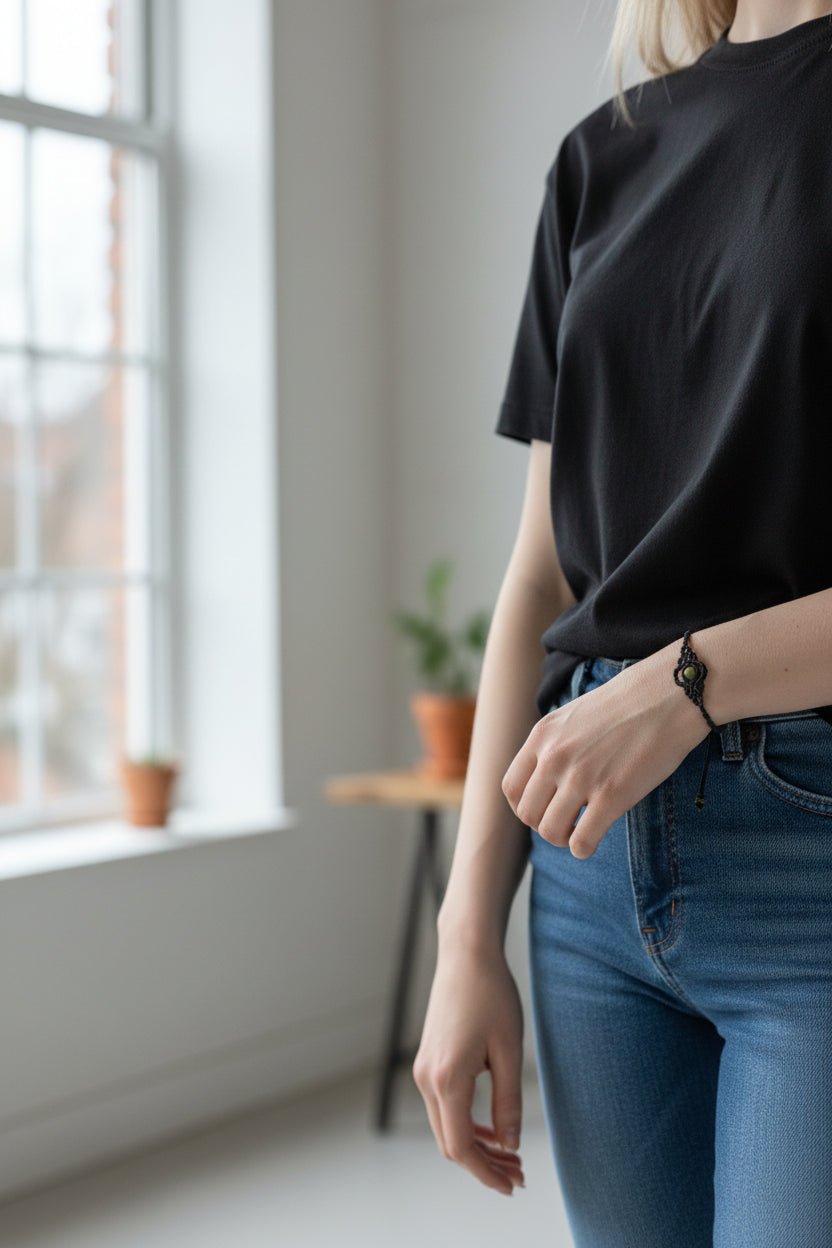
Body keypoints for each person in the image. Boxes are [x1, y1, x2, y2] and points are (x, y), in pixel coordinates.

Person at [411, 3, 832, 1244]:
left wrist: (687, 680)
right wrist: (465, 936)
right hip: (584, 882)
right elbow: (540, 579)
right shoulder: (600, 156)